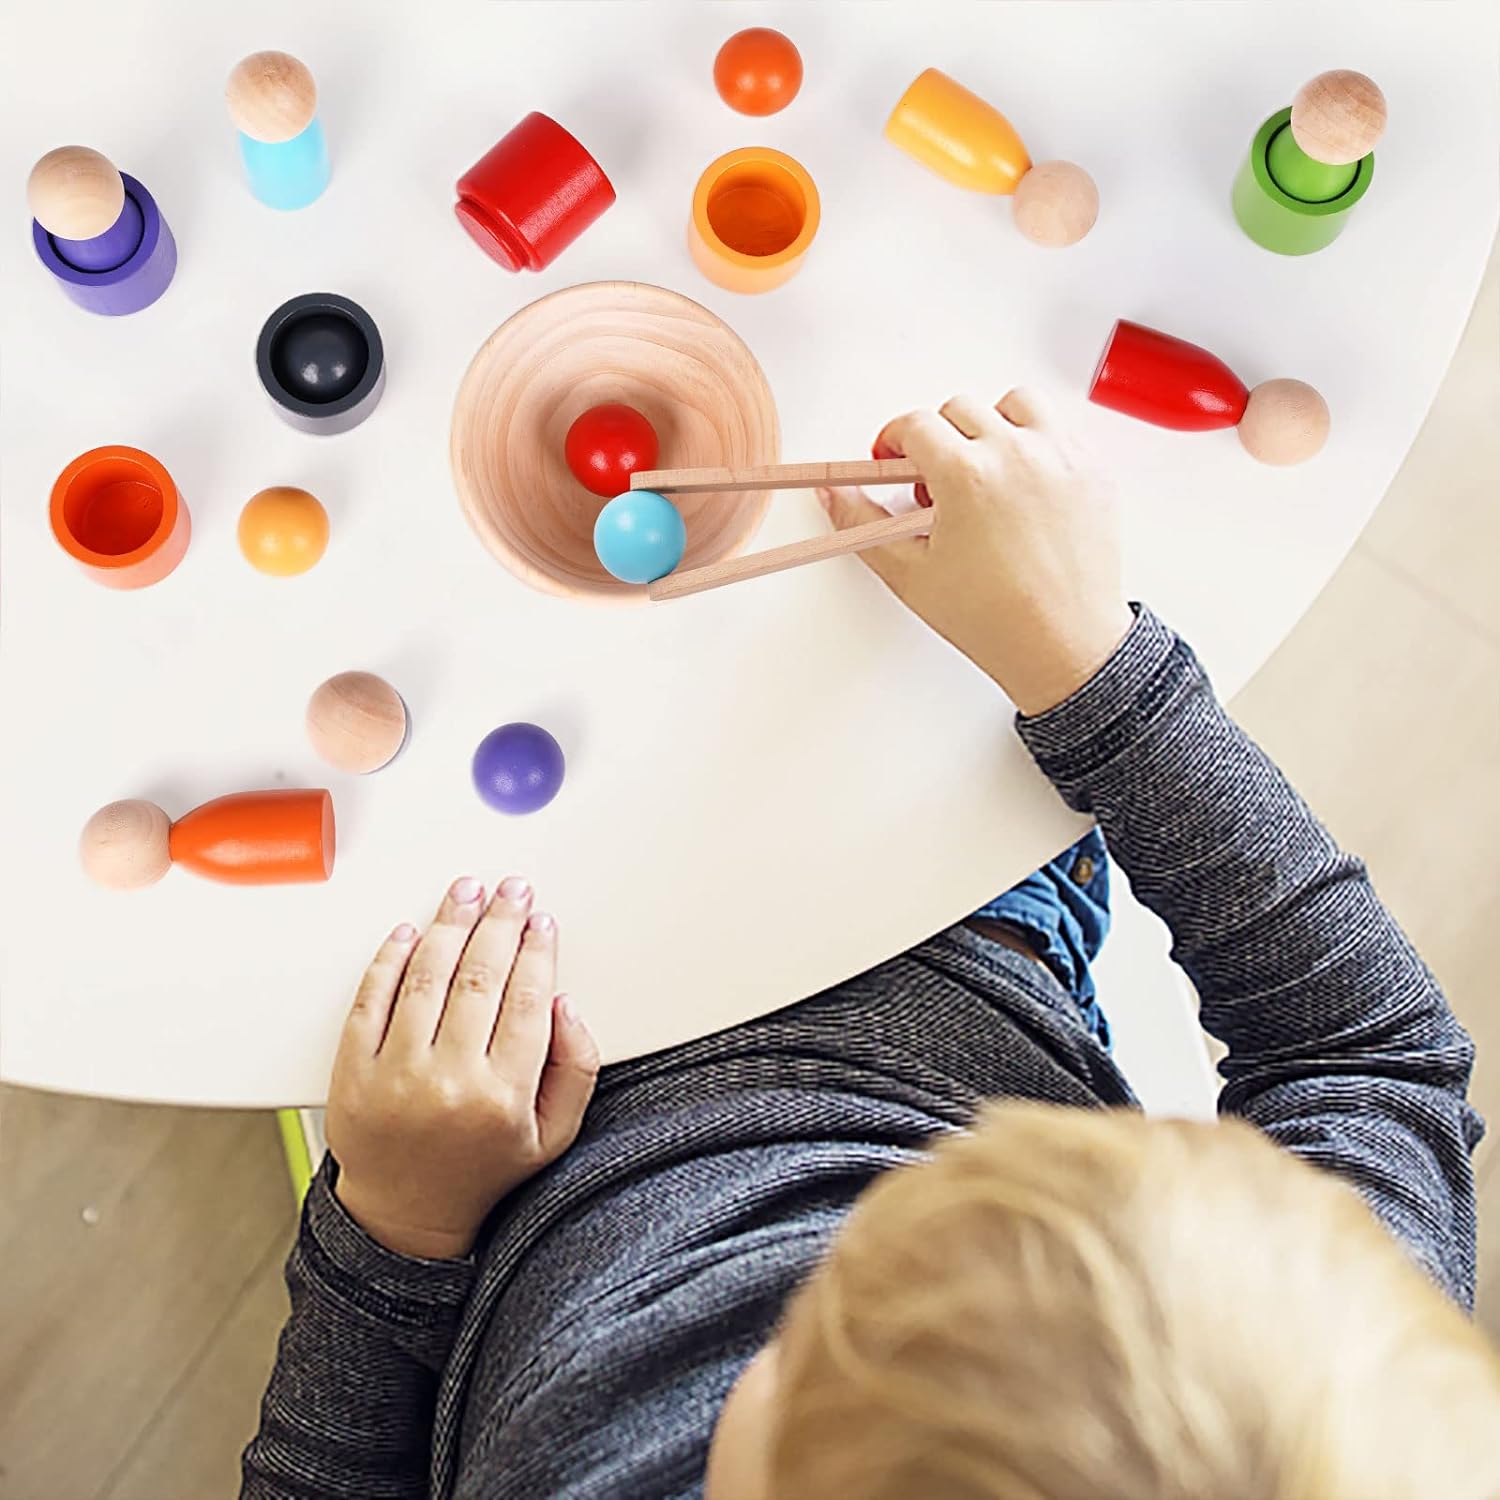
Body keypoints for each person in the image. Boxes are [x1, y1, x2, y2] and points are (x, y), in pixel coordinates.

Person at [242, 391, 1500, 1500]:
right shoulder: (1315, 1393)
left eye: (778, 1356)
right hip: (959, 948)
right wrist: (1091, 666)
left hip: (490, 1121)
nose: (815, 1250)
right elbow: (1369, 1053)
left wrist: (395, 1225)